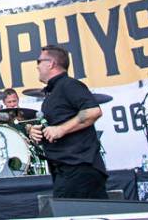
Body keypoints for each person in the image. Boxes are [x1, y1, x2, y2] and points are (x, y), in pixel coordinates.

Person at [27, 45, 107, 199]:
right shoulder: (53, 92)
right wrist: (36, 131)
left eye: (39, 61)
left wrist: (61, 129)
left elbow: (93, 111)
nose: (37, 66)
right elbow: (54, 126)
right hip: (65, 170)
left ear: (50, 63)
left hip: (80, 168)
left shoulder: (69, 85)